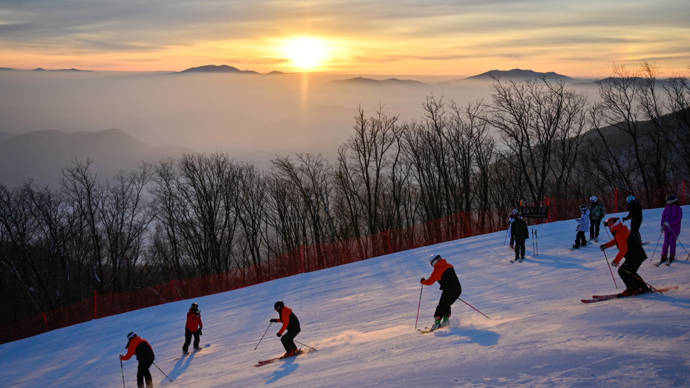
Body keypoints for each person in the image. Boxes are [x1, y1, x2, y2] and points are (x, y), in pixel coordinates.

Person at [600, 217, 650, 296]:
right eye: (608, 225)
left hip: (636, 256)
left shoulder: (619, 232)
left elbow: (624, 249)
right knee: (629, 271)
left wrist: (616, 261)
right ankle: (642, 287)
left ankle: (632, 289)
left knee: (623, 271)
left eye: (610, 224)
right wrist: (606, 245)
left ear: (613, 224)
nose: (609, 226)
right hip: (636, 255)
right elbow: (617, 240)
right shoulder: (620, 229)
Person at [420, 254, 462, 330]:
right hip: (458, 289)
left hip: (448, 290)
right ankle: (445, 321)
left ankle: (437, 324)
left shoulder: (437, 270)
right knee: (446, 304)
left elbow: (430, 281)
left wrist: (423, 281)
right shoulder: (449, 265)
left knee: (441, 306)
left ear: (433, 262)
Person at [660, 194, 683, 264]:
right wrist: (662, 225)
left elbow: (678, 219)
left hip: (675, 229)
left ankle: (672, 255)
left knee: (672, 242)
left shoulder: (678, 209)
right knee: (666, 242)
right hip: (667, 229)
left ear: (673, 201)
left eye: (669, 201)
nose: (667, 202)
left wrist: (670, 223)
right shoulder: (666, 208)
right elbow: (663, 217)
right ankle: (664, 255)